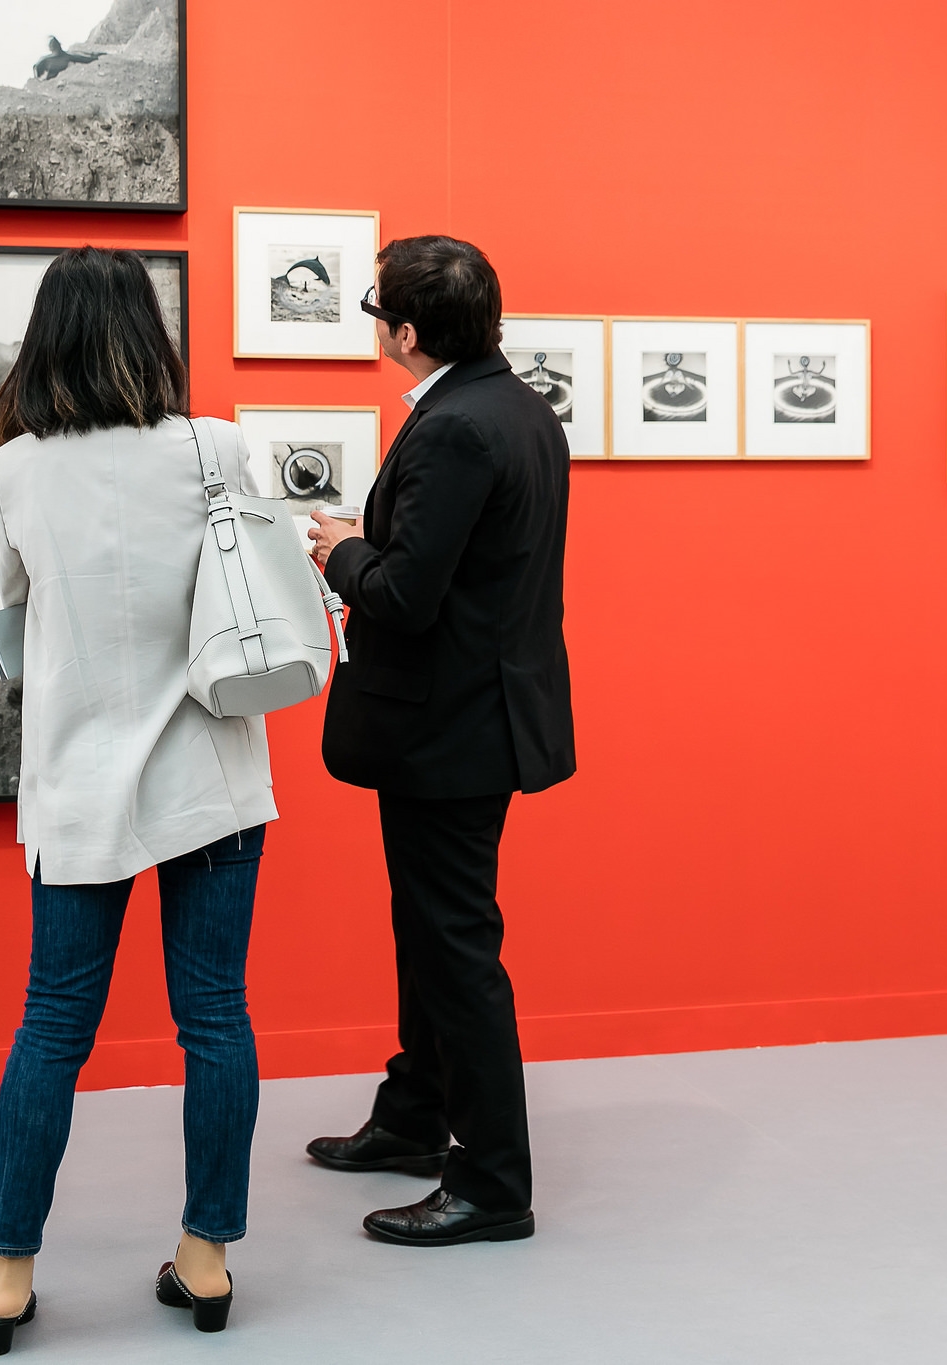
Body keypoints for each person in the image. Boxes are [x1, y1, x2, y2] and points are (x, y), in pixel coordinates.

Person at [0, 247, 277, 1353]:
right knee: (215, 1017)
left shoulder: (14, 470)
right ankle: (206, 1260)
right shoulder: (215, 447)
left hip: (77, 782)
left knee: (52, 1026)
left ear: (45, 340)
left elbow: (15, 622)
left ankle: (7, 1280)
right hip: (210, 775)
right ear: (150, 334)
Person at [302, 236, 576, 1247]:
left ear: (408, 332)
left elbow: (405, 595)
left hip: (447, 728)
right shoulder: (515, 407)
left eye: (378, 311)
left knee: (455, 947)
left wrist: (341, 551)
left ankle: (492, 1181)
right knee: (430, 930)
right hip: (472, 717)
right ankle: (415, 1113)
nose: (376, 326)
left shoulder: (455, 426)